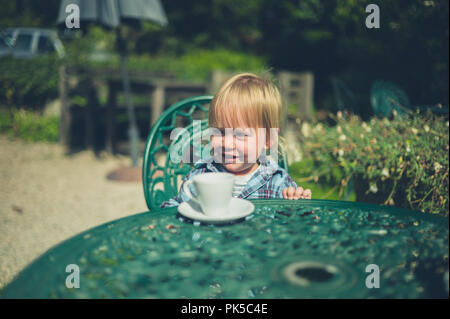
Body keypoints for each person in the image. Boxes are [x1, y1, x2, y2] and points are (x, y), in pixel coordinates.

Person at [161, 72, 311, 208]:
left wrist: (296, 207)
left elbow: (295, 229)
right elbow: (175, 207)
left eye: (240, 135)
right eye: (219, 132)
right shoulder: (202, 174)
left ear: (268, 138)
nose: (227, 144)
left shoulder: (278, 182)